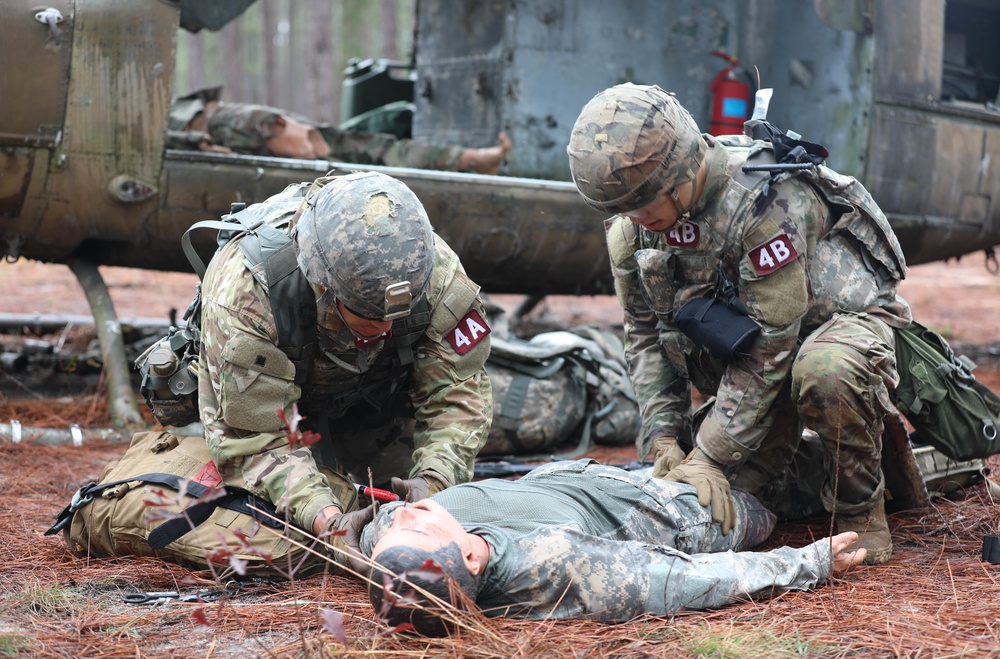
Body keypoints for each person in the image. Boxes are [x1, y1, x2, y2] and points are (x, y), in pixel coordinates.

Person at [565, 84, 913, 565]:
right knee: (730, 500)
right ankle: (891, 470)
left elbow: (774, 344)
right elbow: (645, 336)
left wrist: (710, 455)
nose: (636, 220)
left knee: (824, 370)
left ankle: (860, 508)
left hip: (832, 334)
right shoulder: (635, 224)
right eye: (625, 210)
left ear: (683, 171)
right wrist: (664, 437)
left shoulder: (763, 206)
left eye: (645, 206)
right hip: (751, 358)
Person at [197, 170, 493, 565]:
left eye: (395, 317)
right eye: (368, 317)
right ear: (323, 287)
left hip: (372, 396)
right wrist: (327, 521)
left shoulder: (432, 274)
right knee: (269, 527)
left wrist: (435, 485)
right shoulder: (248, 295)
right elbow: (255, 441)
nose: (386, 329)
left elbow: (459, 395)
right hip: (264, 407)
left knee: (400, 512)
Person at [361, 460, 868, 634]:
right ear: (470, 559)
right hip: (670, 511)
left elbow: (370, 534)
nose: (404, 513)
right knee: (790, 479)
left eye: (394, 528)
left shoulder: (389, 549)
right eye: (417, 525)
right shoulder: (556, 565)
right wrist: (804, 562)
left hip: (574, 479)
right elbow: (687, 580)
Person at [167, 87, 512, 174]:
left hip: (216, 120)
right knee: (336, 157)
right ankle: (468, 160)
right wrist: (194, 141)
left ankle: (468, 159)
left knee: (341, 146)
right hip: (209, 128)